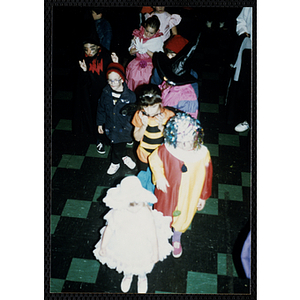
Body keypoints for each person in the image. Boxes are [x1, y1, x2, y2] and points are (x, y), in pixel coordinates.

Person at [93, 176, 173, 293]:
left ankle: (142, 277)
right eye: (130, 206)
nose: (135, 210)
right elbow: (109, 229)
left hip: (142, 244)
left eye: (138, 205)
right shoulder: (118, 212)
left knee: (142, 263)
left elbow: (152, 234)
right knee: (126, 261)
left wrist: (155, 252)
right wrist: (103, 246)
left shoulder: (146, 213)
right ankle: (128, 274)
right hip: (123, 243)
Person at [148, 113, 213, 258]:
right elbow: (154, 160)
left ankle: (176, 237)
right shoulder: (167, 149)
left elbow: (208, 176)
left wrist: (203, 197)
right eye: (181, 142)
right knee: (163, 214)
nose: (185, 146)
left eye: (189, 141)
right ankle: (160, 234)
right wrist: (159, 176)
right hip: (168, 193)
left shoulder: (202, 154)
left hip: (190, 194)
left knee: (184, 216)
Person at [72, 33, 115, 153]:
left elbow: (113, 74)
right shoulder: (83, 59)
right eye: (86, 49)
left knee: (109, 116)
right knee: (95, 118)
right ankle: (99, 139)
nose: (89, 51)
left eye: (92, 48)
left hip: (107, 92)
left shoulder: (106, 56)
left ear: (98, 46)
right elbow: (82, 83)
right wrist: (85, 72)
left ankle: (111, 137)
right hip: (92, 94)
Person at [131, 84, 175, 192]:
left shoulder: (169, 115)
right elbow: (137, 138)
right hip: (144, 156)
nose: (149, 111)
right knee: (144, 179)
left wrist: (162, 127)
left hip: (161, 158)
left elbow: (173, 140)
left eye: (153, 106)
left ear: (160, 102)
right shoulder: (140, 114)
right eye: (146, 107)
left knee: (159, 180)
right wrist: (143, 126)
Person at [97, 62, 137, 175]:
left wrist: (133, 128)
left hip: (124, 127)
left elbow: (133, 113)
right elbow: (101, 109)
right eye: (110, 80)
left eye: (116, 80)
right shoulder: (105, 92)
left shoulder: (130, 96)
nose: (112, 83)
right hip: (110, 125)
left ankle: (116, 161)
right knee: (116, 144)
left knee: (119, 144)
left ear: (122, 80)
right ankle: (121, 158)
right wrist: (100, 124)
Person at [151, 34, 201, 119]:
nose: (169, 58)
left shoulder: (191, 76)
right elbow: (153, 86)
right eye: (168, 54)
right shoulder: (160, 69)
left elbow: (193, 97)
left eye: (173, 55)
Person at [226, 7, 252, 132]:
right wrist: (244, 31)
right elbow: (241, 20)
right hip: (249, 46)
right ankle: (247, 119)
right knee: (246, 85)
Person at [126, 16, 164, 92]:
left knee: (147, 82)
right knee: (133, 80)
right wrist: (137, 48)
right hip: (136, 65)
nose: (148, 34)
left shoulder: (157, 40)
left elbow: (157, 57)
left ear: (156, 32)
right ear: (144, 26)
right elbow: (130, 52)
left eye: (151, 33)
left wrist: (146, 50)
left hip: (150, 67)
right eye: (146, 31)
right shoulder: (138, 35)